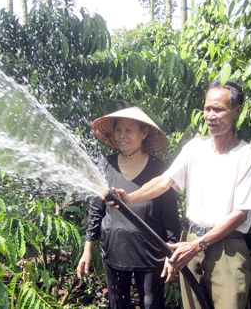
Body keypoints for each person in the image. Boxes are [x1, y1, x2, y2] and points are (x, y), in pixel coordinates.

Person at [105, 80, 251, 309]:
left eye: (219, 109)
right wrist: (129, 199)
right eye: (207, 108)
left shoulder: (247, 156)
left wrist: (197, 245)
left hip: (227, 248)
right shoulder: (195, 148)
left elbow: (240, 214)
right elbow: (164, 181)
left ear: (237, 111)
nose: (211, 115)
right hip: (190, 240)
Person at [76, 106, 180, 309]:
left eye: (129, 130)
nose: (122, 135)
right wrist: (87, 249)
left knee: (151, 304)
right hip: (114, 251)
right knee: (118, 304)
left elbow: (170, 216)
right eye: (118, 130)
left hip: (151, 253)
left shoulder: (160, 170)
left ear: (144, 133)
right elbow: (96, 210)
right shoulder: (106, 166)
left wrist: (171, 254)